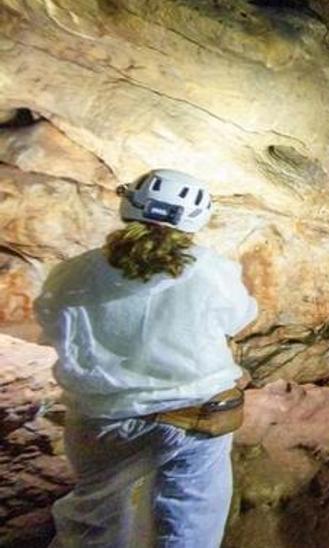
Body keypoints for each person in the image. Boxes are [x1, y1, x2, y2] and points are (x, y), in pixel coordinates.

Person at [35, 169, 258, 548]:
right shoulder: (210, 270)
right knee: (189, 524)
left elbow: (51, 322)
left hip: (102, 419)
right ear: (196, 219)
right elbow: (240, 317)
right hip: (194, 416)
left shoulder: (72, 272)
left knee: (95, 520)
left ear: (130, 204)